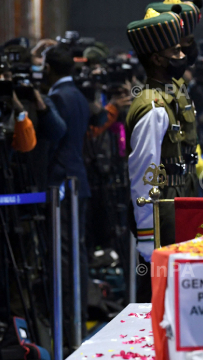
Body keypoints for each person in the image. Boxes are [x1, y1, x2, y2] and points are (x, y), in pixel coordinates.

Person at [125, 6, 200, 302]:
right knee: (157, 300)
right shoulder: (152, 108)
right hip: (162, 220)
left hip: (180, 208)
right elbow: (144, 175)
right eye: (176, 51)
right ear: (157, 59)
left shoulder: (170, 93)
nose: (182, 57)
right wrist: (147, 237)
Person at [43, 43, 95, 344]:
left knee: (65, 254)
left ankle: (68, 321)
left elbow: (57, 137)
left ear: (49, 68)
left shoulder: (58, 97)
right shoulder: (77, 94)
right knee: (77, 251)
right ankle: (77, 318)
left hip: (63, 181)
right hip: (79, 178)